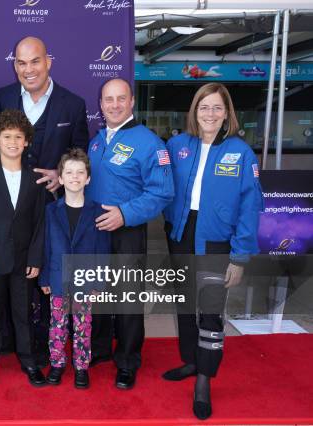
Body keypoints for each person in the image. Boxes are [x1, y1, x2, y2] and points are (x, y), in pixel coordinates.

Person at [163, 82, 263, 420]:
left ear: (227, 113)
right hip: (180, 234)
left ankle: (203, 381)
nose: (210, 114)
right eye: (204, 107)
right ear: (194, 111)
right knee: (184, 302)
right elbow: (158, 186)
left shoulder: (241, 153)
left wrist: (239, 256)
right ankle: (191, 361)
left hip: (217, 240)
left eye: (217, 108)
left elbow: (251, 207)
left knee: (209, 312)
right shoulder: (177, 145)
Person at [0, 36, 89, 365]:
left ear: (48, 61)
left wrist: (61, 176)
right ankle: (8, 341)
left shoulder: (73, 104)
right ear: (14, 65)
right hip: (8, 210)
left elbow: (82, 155)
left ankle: (47, 343)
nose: (28, 69)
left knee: (49, 275)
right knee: (11, 271)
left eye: (35, 61)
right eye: (21, 62)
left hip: (53, 208)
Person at [87, 78, 174, 390]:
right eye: (108, 99)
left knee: (126, 299)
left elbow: (163, 193)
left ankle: (127, 360)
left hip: (127, 232)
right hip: (95, 233)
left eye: (120, 98)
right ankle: (98, 350)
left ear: (132, 101)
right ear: (100, 104)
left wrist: (124, 214)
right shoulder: (96, 140)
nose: (114, 105)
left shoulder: (149, 143)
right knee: (96, 293)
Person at [0, 109, 46, 390]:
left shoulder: (35, 180)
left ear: (27, 141)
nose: (12, 142)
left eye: (18, 137)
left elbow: (40, 223)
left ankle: (28, 361)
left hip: (24, 260)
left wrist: (36, 258)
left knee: (23, 314)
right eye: (6, 137)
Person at [39, 148, 110, 389]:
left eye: (80, 173)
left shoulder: (98, 211)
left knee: (83, 325)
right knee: (57, 325)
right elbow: (46, 246)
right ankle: (57, 364)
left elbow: (102, 250)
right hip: (58, 277)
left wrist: (99, 283)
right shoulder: (50, 211)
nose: (75, 177)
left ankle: (81, 366)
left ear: (88, 178)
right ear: (60, 178)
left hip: (85, 279)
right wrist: (45, 278)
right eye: (69, 172)